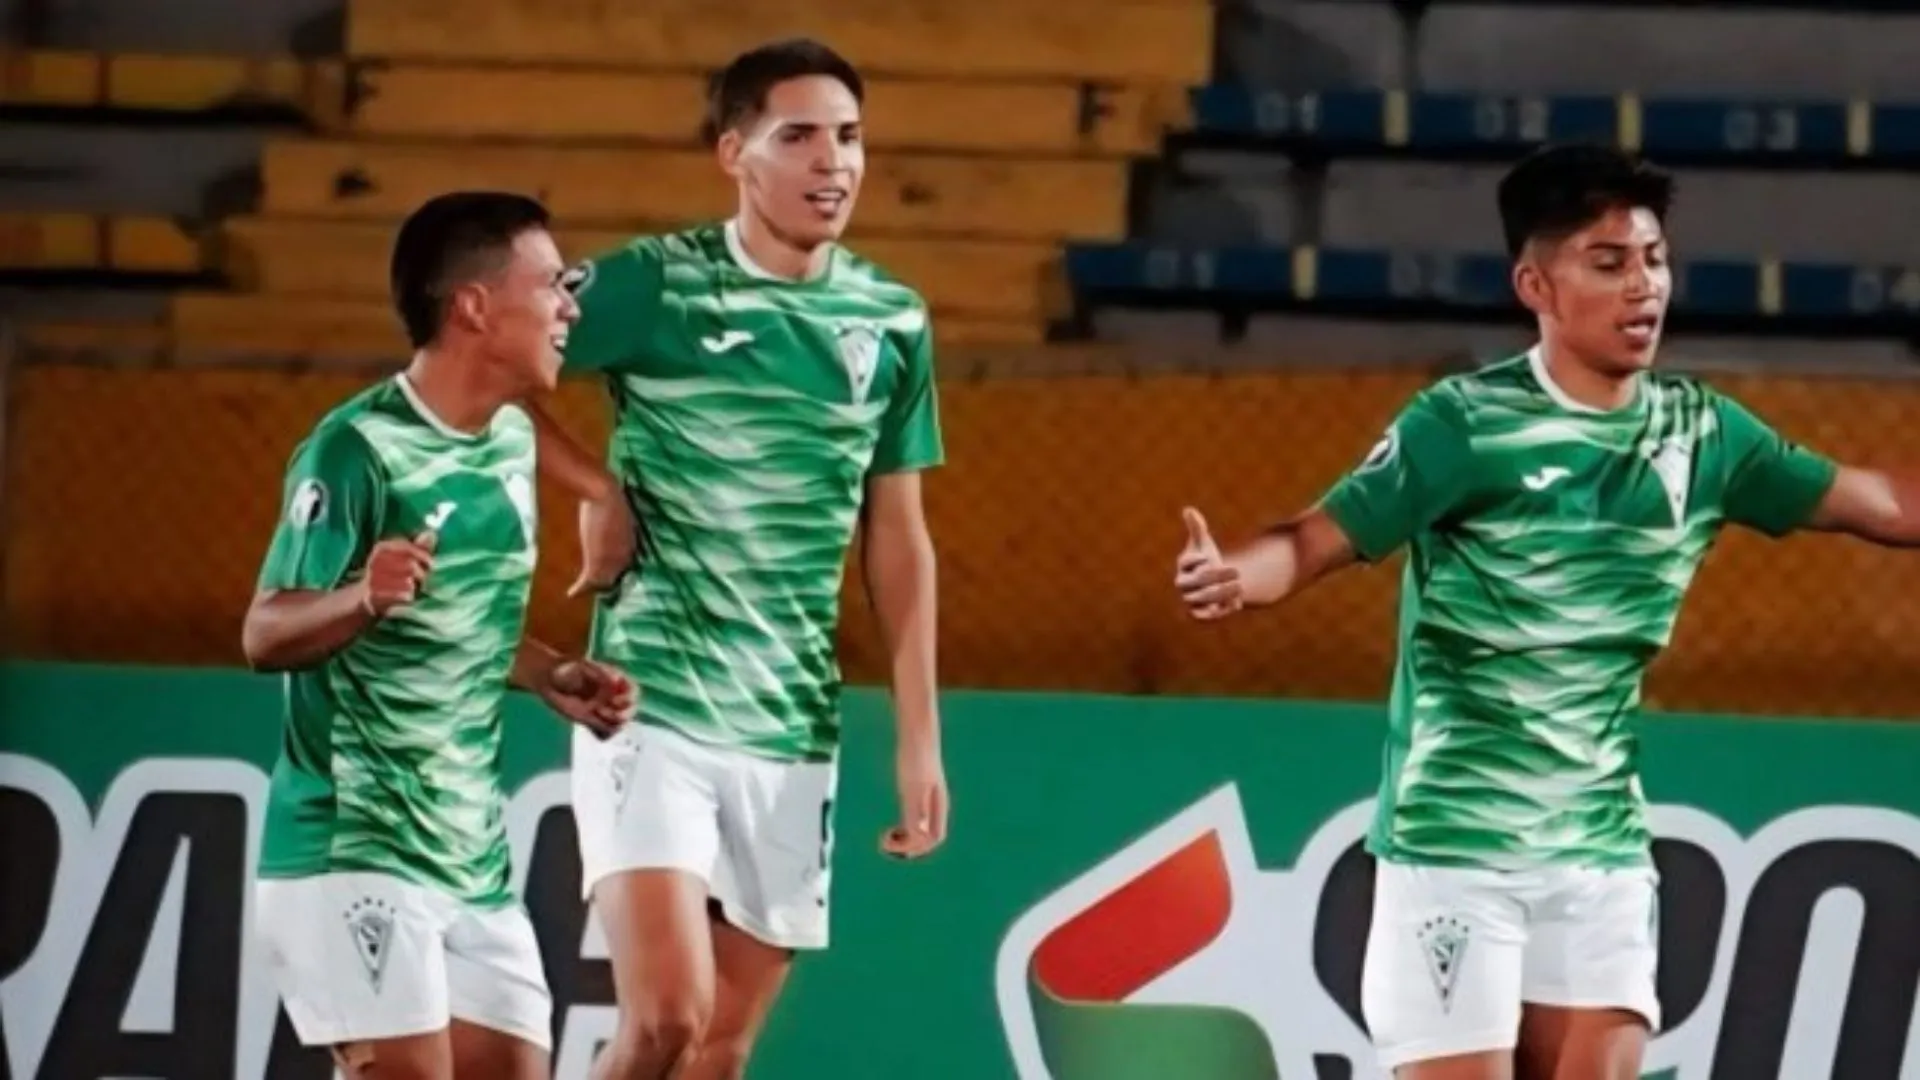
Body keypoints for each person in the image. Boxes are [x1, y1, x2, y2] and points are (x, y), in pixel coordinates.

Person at [1174, 143, 1920, 1080]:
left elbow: (1884, 505)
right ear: (1536, 283)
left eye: (1653, 259)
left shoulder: (1707, 436)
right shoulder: (1462, 425)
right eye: (1607, 264)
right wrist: (1236, 574)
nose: (1643, 286)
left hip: (1599, 855)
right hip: (1453, 849)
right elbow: (1314, 540)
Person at [522, 38, 948, 1080]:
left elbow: (896, 537)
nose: (832, 162)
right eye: (797, 135)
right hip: (648, 702)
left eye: (848, 137)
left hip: (792, 726)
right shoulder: (654, 286)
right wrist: (595, 485)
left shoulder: (891, 320)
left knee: (720, 1049)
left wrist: (918, 740)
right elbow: (473, 364)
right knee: (666, 1019)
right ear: (734, 154)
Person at [242, 191, 637, 1080]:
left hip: (471, 861)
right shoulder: (355, 451)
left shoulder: (506, 440)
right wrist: (357, 600)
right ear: (474, 306)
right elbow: (264, 632)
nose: (571, 305)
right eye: (552, 284)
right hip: (353, 848)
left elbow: (456, 628)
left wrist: (549, 674)